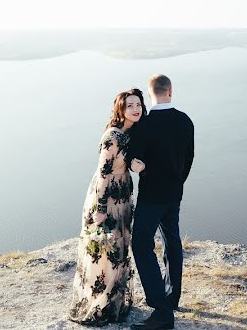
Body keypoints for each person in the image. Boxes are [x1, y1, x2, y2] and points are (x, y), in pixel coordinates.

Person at [68, 88, 147, 325]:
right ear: (120, 109)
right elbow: (103, 175)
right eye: (130, 105)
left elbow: (129, 163)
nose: (135, 109)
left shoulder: (133, 134)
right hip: (106, 199)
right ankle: (98, 305)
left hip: (123, 198)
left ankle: (114, 302)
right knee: (105, 251)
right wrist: (100, 210)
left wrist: (137, 167)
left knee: (119, 250)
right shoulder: (112, 136)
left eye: (139, 105)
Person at [129, 74, 195, 330]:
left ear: (149, 93)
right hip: (174, 193)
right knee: (171, 240)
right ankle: (172, 297)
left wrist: (144, 168)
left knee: (141, 244)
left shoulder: (144, 125)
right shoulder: (185, 121)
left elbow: (135, 161)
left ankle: (161, 309)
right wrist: (176, 183)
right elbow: (188, 159)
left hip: (151, 196)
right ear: (170, 91)